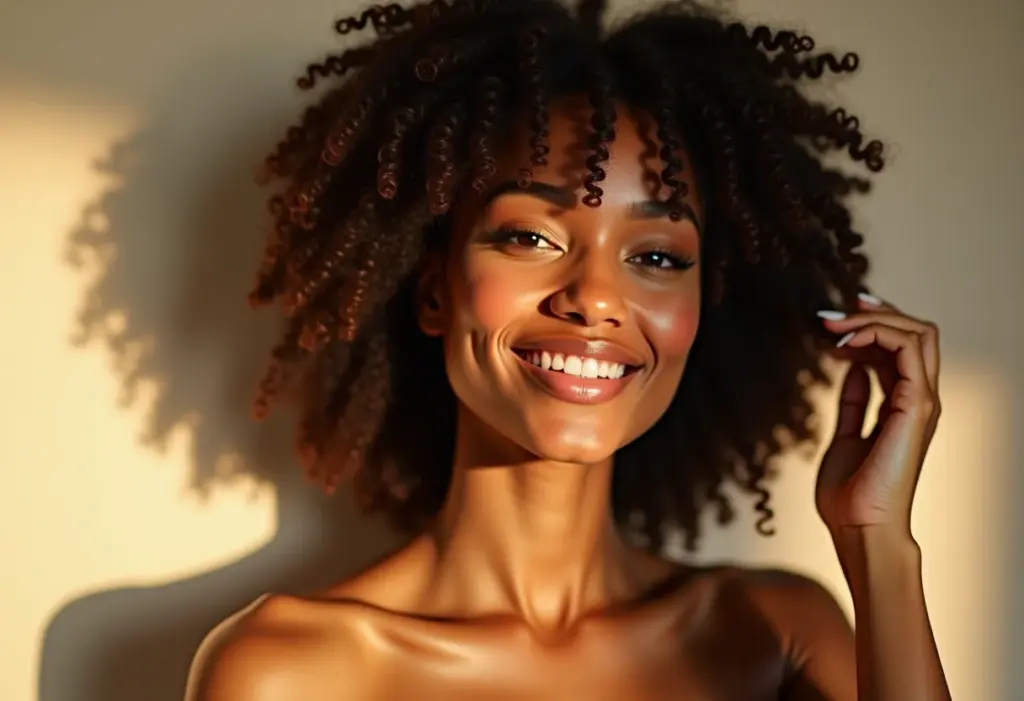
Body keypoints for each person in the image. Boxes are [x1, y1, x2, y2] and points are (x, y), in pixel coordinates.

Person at [186, 0, 951, 698]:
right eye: (530, 237)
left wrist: (878, 544)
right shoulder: (289, 671)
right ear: (433, 290)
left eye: (656, 255)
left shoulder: (773, 636)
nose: (595, 297)